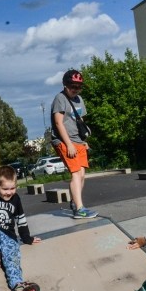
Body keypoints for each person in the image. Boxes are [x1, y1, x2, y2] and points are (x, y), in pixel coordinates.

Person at [51, 69, 97, 219]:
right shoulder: (60, 98)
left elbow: (80, 121)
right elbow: (58, 123)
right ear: (65, 85)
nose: (76, 90)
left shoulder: (80, 99)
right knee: (76, 173)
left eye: (79, 87)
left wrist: (84, 141)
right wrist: (68, 144)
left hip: (78, 140)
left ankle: (74, 202)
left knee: (82, 174)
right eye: (73, 87)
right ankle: (80, 209)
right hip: (64, 141)